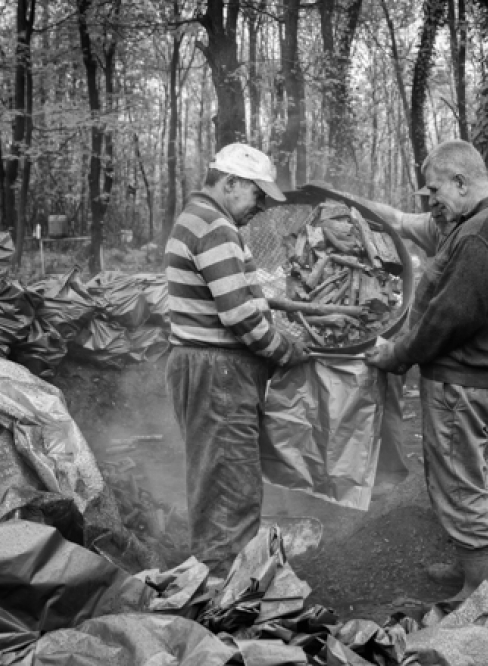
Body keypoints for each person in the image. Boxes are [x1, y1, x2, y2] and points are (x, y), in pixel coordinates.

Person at [363, 139, 488, 601]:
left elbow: (447, 320)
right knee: (456, 476)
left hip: (463, 384)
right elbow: (408, 224)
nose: (432, 198)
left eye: (436, 188)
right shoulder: (481, 222)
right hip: (469, 382)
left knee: (461, 486)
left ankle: (482, 594)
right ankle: (470, 569)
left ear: (461, 181)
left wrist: (397, 355)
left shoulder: (481, 233)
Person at [164, 143, 310, 577]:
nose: (261, 206)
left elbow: (237, 296)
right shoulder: (215, 226)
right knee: (232, 486)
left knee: (215, 479)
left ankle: (215, 576)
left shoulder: (198, 218)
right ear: (230, 183)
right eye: (257, 194)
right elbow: (241, 314)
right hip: (218, 373)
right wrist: (286, 352)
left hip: (205, 367)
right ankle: (226, 590)